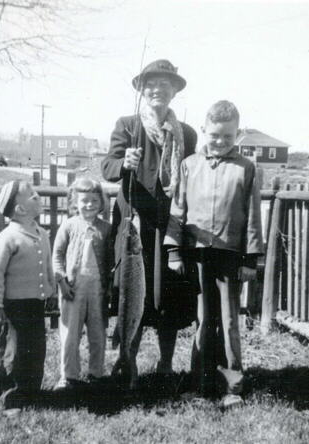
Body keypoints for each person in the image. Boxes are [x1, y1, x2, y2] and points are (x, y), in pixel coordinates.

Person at [101, 59, 198, 378]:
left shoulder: (187, 133)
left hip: (170, 229)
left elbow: (190, 176)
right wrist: (124, 163)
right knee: (133, 295)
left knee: (168, 297)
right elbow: (107, 168)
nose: (158, 89)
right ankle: (127, 360)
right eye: (152, 84)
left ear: (174, 92)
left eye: (165, 85)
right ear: (142, 90)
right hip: (135, 228)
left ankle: (166, 365)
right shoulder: (127, 125)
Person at [164, 100, 264, 408]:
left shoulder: (246, 168)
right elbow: (178, 209)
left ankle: (232, 385)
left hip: (230, 255)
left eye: (227, 136)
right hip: (197, 255)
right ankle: (201, 382)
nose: (220, 142)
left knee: (230, 320)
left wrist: (250, 259)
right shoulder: (189, 165)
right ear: (205, 130)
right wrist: (174, 252)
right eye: (215, 135)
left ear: (237, 135)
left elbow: (252, 216)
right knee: (204, 318)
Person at [0, 180, 55, 413]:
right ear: (21, 209)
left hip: (35, 305)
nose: (38, 197)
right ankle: (8, 399)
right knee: (12, 353)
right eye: (33, 195)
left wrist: (50, 290)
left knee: (35, 350)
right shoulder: (8, 238)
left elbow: (47, 266)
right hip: (12, 307)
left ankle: (30, 393)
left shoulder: (41, 234)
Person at [52, 178, 112, 389]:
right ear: (74, 202)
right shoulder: (68, 225)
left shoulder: (106, 228)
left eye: (94, 200)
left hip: (98, 290)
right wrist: (61, 281)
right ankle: (69, 376)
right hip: (73, 289)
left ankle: (96, 373)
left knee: (98, 335)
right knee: (70, 334)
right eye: (84, 200)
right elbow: (57, 255)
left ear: (102, 202)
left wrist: (109, 289)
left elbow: (112, 260)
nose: (89, 205)